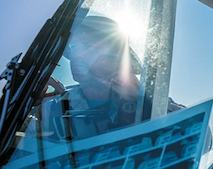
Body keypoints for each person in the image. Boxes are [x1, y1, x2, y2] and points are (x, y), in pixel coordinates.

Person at [26, 14, 182, 141]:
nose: (77, 55)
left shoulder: (146, 101)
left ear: (115, 60)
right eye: (74, 47)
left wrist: (143, 97)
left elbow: (201, 136)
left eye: (88, 46)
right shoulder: (54, 109)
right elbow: (20, 146)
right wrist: (26, 104)